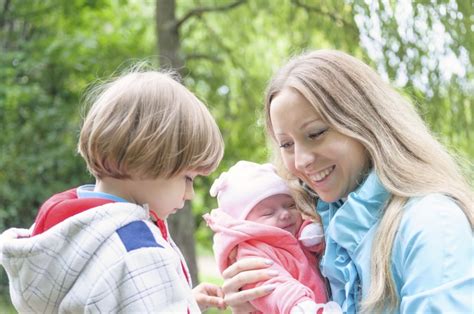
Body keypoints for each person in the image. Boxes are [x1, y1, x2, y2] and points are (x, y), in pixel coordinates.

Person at [219, 50, 473, 313]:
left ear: (363, 122)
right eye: (286, 144)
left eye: (316, 133)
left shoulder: (430, 223)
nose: (302, 160)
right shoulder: (317, 229)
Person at [0, 69, 227, 312]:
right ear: (147, 157)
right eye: (188, 178)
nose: (189, 193)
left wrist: (184, 301)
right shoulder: (137, 251)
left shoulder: (67, 229)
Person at [204, 160, 341, 314]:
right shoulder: (251, 253)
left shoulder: (292, 238)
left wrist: (311, 236)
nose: (285, 214)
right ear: (246, 224)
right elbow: (271, 284)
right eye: (268, 213)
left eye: (290, 205)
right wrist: (299, 305)